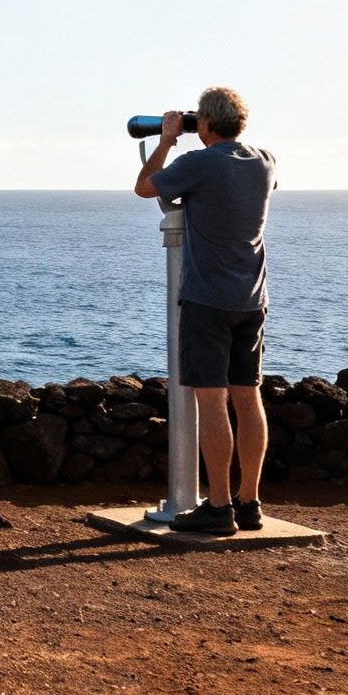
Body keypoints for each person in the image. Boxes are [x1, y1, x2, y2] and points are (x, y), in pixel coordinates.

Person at [132, 87, 277, 535]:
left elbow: (143, 188)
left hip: (208, 298)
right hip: (252, 299)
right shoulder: (264, 161)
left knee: (211, 400)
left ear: (206, 124)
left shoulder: (197, 163)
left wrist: (167, 138)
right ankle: (248, 502)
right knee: (247, 396)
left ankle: (218, 508)